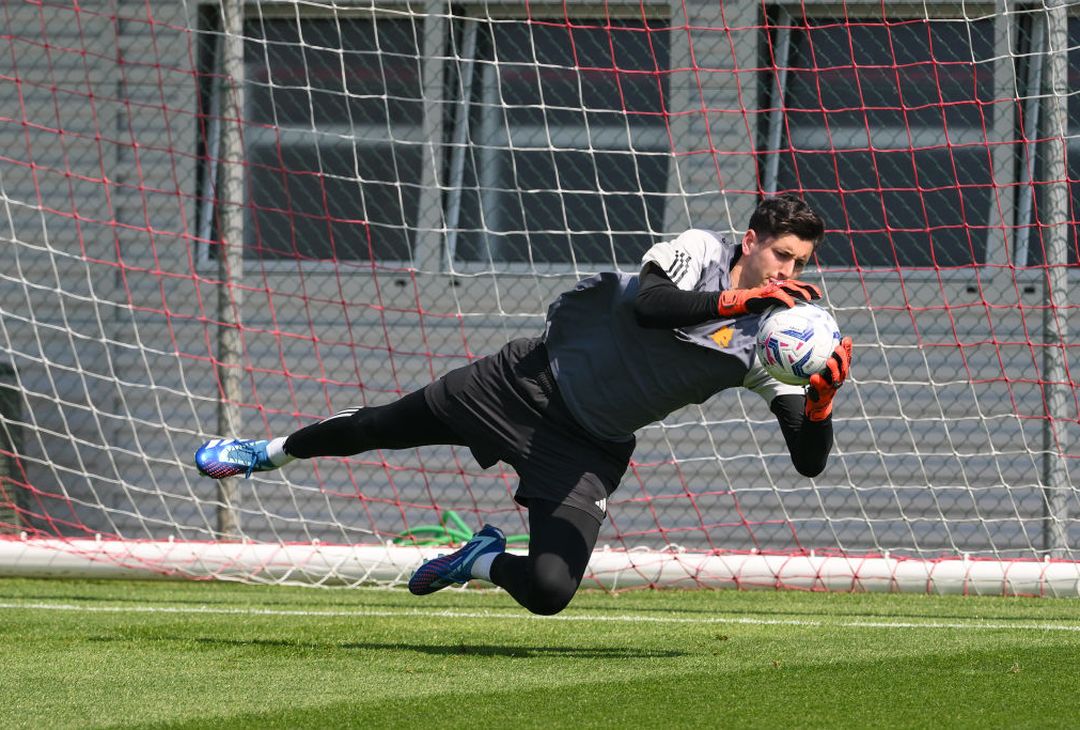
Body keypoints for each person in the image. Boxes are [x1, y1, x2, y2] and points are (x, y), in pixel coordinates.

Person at [195, 193, 853, 615]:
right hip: (524, 384)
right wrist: (743, 300)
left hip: (586, 446)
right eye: (781, 257)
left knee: (550, 591)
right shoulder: (701, 251)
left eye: (798, 266)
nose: (787, 275)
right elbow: (651, 307)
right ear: (750, 241)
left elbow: (809, 462)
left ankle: (476, 558)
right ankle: (264, 454)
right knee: (380, 426)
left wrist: (819, 405)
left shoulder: (769, 347)